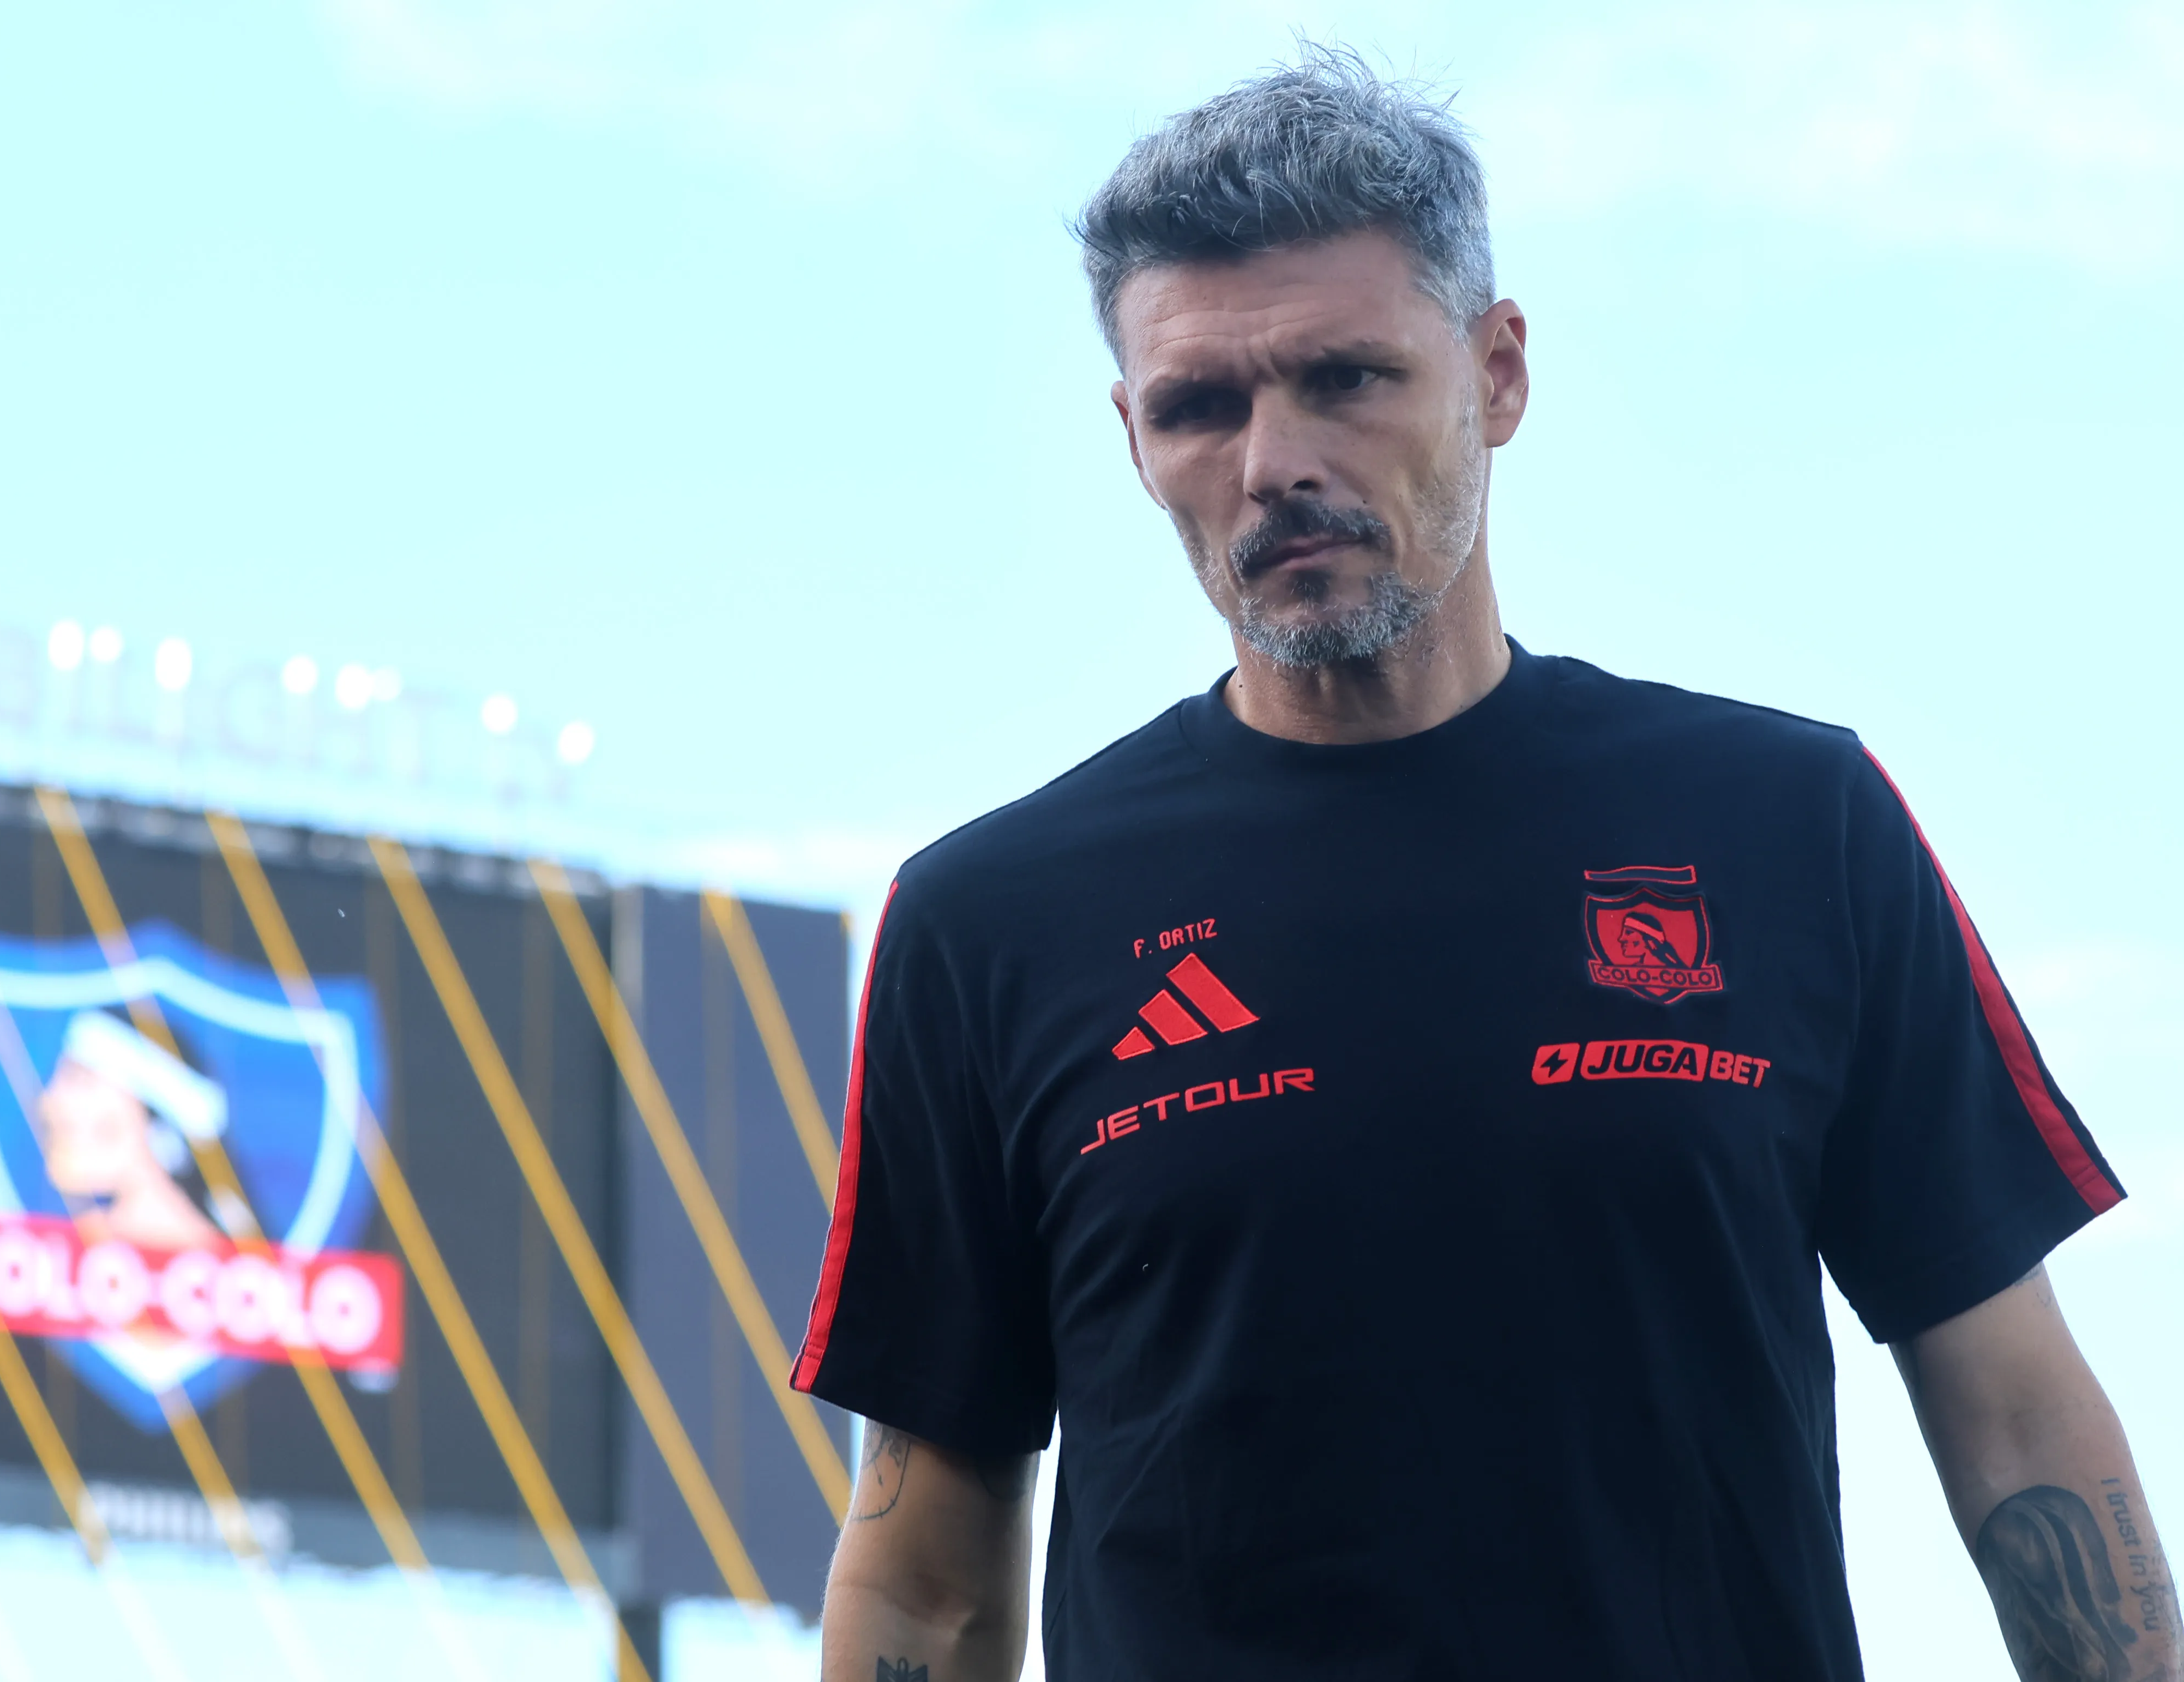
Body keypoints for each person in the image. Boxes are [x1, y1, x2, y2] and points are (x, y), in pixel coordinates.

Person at [792, 46, 2173, 1682]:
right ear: (1133, 438)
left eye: (1345, 377)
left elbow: (2019, 1423)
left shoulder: (1790, 823)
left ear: (1497, 374)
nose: (1272, 462)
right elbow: (928, 1589)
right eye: (1198, 406)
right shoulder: (992, 922)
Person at [39, 1008, 230, 1251]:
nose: (51, 1100)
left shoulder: (223, 1263)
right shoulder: (68, 1249)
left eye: (79, 1078)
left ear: (157, 1120)